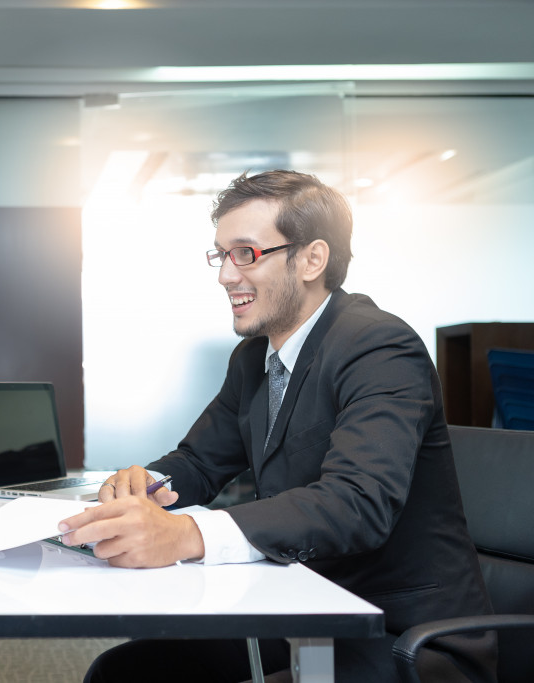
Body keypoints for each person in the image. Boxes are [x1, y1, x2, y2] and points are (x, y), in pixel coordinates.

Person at [60, 170, 496, 682]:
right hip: (304, 604)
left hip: (398, 635)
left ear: (312, 259)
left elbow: (357, 502)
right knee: (128, 671)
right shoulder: (254, 358)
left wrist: (187, 534)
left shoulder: (378, 346)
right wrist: (147, 486)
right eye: (221, 255)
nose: (225, 274)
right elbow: (201, 460)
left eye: (246, 253)